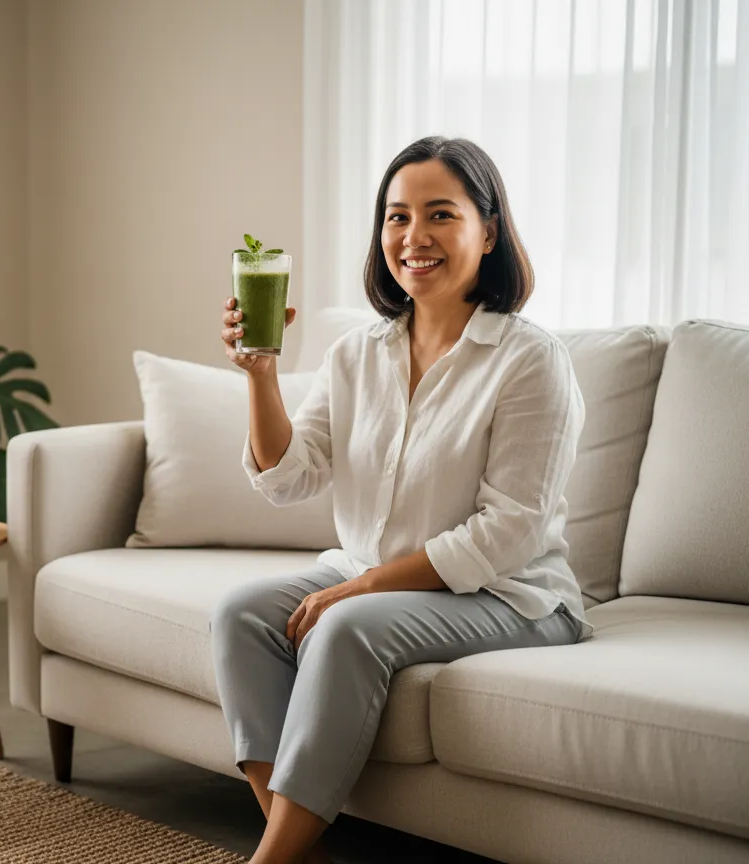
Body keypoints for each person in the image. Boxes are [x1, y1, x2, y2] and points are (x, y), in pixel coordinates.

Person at [210, 135, 593, 864]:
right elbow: (290, 477)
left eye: (440, 215)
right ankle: (292, 846)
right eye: (396, 217)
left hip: (513, 594)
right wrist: (261, 374)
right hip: (372, 570)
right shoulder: (357, 353)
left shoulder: (530, 360)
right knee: (240, 615)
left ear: (488, 232)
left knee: (348, 627)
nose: (413, 237)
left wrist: (364, 588)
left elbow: (506, 533)